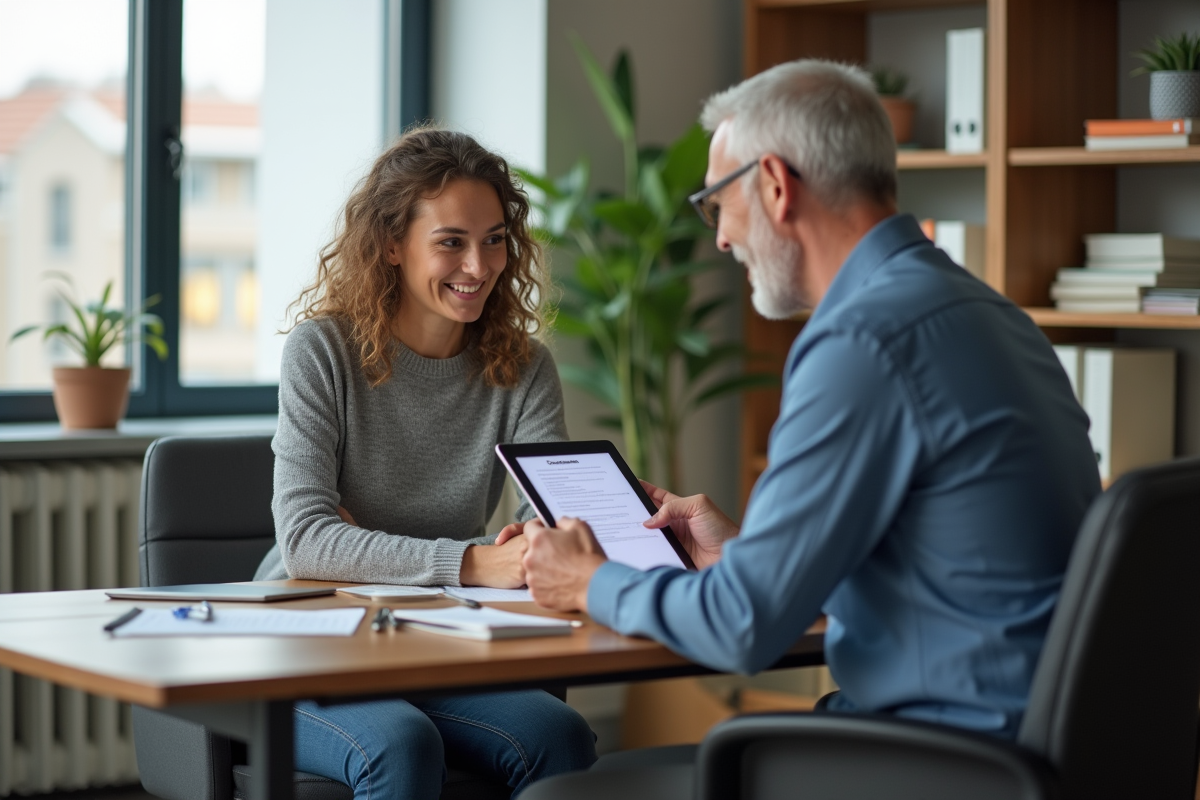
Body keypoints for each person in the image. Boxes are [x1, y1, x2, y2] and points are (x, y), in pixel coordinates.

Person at [517, 59, 1101, 796]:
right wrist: (748, 559)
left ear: (774, 185)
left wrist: (590, 579)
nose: (722, 239)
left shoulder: (862, 342)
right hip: (1036, 749)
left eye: (714, 203)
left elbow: (742, 631)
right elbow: (950, 570)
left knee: (555, 793)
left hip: (940, 761)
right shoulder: (990, 316)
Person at [252, 127, 596, 799]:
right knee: (402, 748)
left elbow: (552, 533)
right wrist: (473, 561)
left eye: (495, 239)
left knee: (561, 736)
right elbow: (306, 544)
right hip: (309, 640)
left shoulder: (523, 368)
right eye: (451, 242)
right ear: (390, 244)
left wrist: (363, 545)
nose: (479, 265)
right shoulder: (323, 353)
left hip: (437, 639)